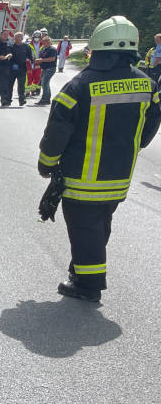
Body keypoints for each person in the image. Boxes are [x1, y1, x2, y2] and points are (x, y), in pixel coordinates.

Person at [37, 16, 161, 302]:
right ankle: (80, 273)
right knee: (98, 226)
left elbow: (57, 131)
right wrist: (134, 145)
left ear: (96, 47)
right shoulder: (146, 84)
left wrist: (46, 163)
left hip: (83, 179)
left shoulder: (80, 86)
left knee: (85, 229)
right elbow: (151, 123)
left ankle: (89, 286)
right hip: (118, 179)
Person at [10, 31, 34, 105]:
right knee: (9, 85)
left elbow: (31, 56)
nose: (19, 38)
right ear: (14, 38)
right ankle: (7, 99)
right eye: (17, 37)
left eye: (20, 37)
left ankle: (21, 100)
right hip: (12, 69)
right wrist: (12, 64)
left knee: (21, 86)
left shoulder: (26, 46)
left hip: (22, 69)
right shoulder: (11, 46)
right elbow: (8, 57)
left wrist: (28, 59)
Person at [35, 34, 58, 104]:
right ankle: (47, 98)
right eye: (43, 42)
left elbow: (52, 59)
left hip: (50, 68)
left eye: (45, 42)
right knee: (45, 83)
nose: (43, 44)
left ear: (49, 42)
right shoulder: (44, 49)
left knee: (44, 83)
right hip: (44, 68)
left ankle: (45, 99)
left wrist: (41, 60)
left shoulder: (52, 49)